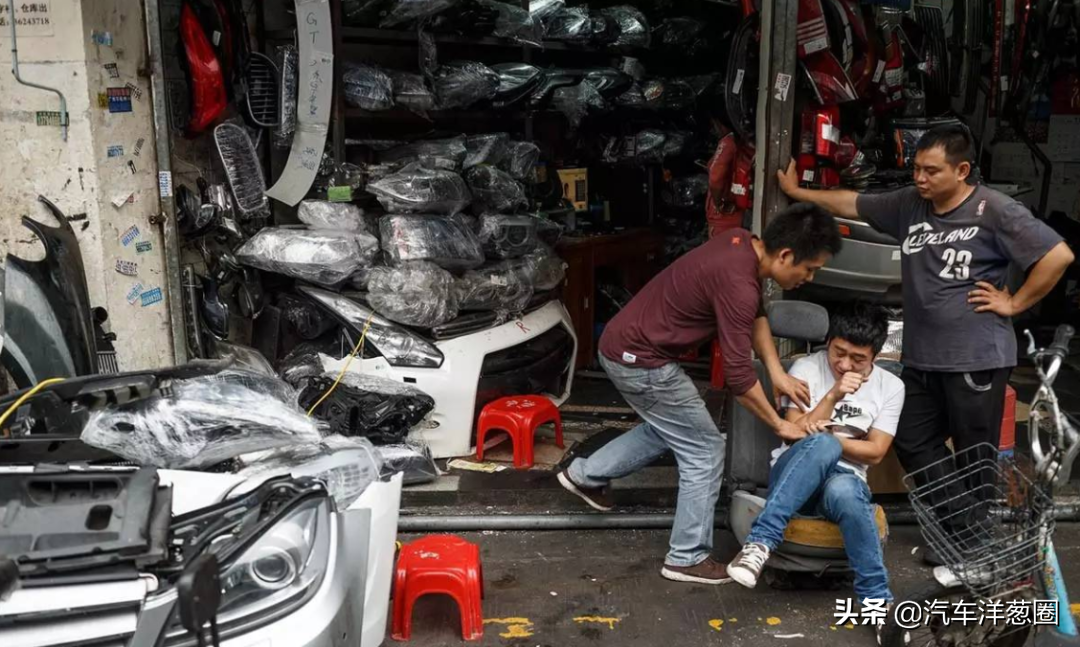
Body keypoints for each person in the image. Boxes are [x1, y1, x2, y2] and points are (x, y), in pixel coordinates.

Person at [777, 124, 1074, 559]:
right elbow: (853, 203)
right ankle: (970, 532)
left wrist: (1015, 302)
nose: (920, 178)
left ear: (963, 170)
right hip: (922, 358)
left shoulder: (995, 210)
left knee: (976, 455)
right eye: (916, 168)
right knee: (912, 438)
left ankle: (967, 544)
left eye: (931, 171)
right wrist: (799, 193)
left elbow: (1058, 255)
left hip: (975, 357)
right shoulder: (910, 204)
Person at [558, 203, 843, 585]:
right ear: (786, 254)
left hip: (628, 346)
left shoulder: (740, 244)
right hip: (641, 360)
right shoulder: (738, 282)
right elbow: (740, 379)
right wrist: (780, 424)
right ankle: (686, 556)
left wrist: (777, 373)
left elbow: (757, 314)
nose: (807, 278)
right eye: (809, 269)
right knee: (705, 448)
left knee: (674, 427)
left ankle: (585, 475)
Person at [726, 301, 904, 612]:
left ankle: (876, 601)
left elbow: (875, 452)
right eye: (839, 352)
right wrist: (834, 394)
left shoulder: (891, 386)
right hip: (795, 472)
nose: (845, 365)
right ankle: (761, 543)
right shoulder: (806, 367)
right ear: (829, 342)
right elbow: (792, 430)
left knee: (845, 488)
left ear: (875, 356)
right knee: (823, 446)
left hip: (845, 480)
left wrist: (828, 435)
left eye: (858, 359)